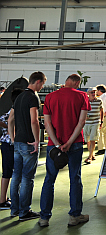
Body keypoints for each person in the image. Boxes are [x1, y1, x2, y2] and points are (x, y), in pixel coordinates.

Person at [39, 73, 89, 227]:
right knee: (75, 178)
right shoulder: (82, 96)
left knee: (49, 179)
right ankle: (74, 216)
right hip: (75, 144)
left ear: (66, 81)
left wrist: (56, 144)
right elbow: (81, 122)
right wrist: (68, 143)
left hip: (53, 145)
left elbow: (47, 124)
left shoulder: (50, 97)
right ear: (77, 82)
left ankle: (44, 218)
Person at [7, 71, 46, 221]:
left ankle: (14, 209)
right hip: (29, 143)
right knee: (27, 178)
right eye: (42, 84)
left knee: (16, 176)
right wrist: (37, 140)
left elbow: (11, 120)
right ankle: (24, 212)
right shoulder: (32, 98)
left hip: (17, 142)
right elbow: (34, 121)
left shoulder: (19, 97)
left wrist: (12, 138)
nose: (42, 87)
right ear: (38, 82)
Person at [0, 88, 23, 210]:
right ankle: (2, 200)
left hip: (7, 144)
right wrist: (9, 126)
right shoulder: (13, 111)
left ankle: (4, 199)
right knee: (8, 173)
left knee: (9, 172)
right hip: (9, 144)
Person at [84, 88, 102, 164]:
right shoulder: (85, 101)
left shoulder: (99, 101)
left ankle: (90, 157)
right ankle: (91, 154)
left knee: (92, 139)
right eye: (91, 92)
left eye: (94, 92)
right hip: (86, 123)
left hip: (95, 122)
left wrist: (102, 121)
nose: (93, 93)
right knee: (87, 140)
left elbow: (101, 110)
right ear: (88, 93)